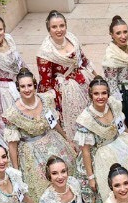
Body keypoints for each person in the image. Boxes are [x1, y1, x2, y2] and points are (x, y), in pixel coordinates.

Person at [2, 67, 75, 201]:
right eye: (23, 86)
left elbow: (53, 123)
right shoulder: (12, 113)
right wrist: (16, 171)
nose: (27, 89)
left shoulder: (46, 99)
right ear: (18, 88)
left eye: (29, 85)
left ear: (34, 85)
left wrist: (67, 139)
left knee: (64, 176)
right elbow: (12, 145)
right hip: (31, 154)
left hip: (54, 143)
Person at [74, 78, 128, 203]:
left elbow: (123, 126)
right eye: (96, 93)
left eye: (104, 93)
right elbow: (85, 151)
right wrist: (91, 178)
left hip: (121, 143)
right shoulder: (86, 118)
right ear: (91, 94)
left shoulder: (114, 105)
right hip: (102, 155)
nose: (100, 97)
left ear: (108, 93)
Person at [37, 10, 97, 142]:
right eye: (54, 27)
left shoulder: (72, 38)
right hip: (65, 91)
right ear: (48, 29)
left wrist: (97, 77)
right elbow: (45, 83)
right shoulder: (45, 52)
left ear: (66, 25)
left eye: (61, 26)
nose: (59, 30)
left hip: (83, 79)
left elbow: (84, 60)